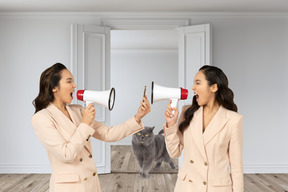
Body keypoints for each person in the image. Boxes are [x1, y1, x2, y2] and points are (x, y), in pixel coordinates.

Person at [32, 63, 151, 192]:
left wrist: (138, 117)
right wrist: (84, 124)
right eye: (69, 81)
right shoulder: (42, 118)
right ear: (54, 87)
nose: (74, 86)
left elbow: (107, 133)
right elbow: (66, 154)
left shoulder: (78, 110)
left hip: (90, 185)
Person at [163, 65, 243, 192]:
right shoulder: (187, 112)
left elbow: (236, 167)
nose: (193, 87)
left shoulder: (233, 119)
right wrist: (171, 124)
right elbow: (174, 152)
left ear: (214, 87)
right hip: (187, 187)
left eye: (197, 83)